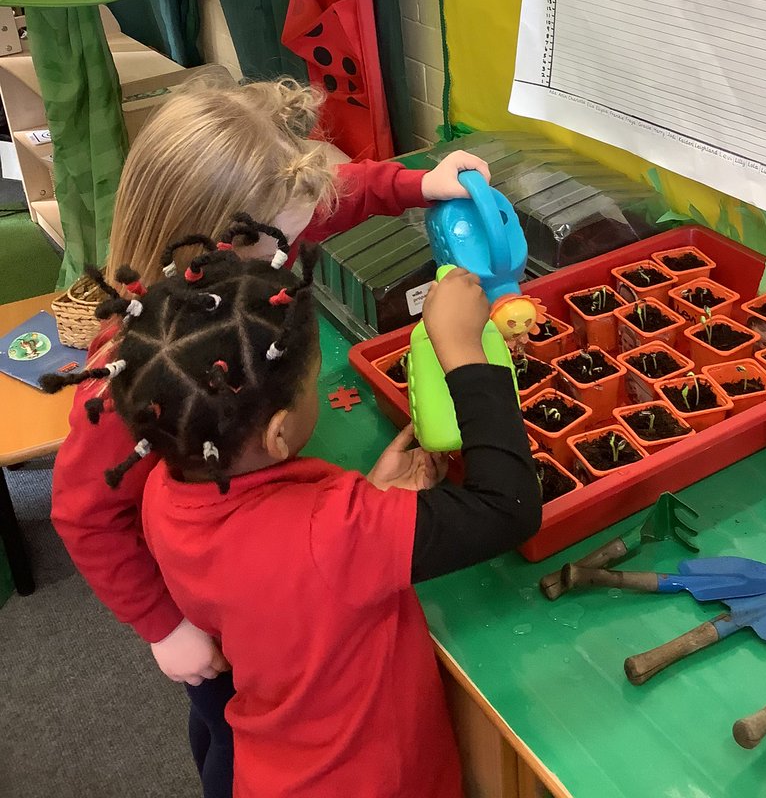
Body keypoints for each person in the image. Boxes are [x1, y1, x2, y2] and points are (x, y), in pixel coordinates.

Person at [50, 77, 491, 797]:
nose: (294, 252)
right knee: (229, 730)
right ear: (220, 243)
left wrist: (418, 183)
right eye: (279, 251)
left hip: (257, 560)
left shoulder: (247, 242)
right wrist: (163, 628)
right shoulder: (128, 374)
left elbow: (324, 195)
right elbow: (81, 513)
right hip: (217, 620)